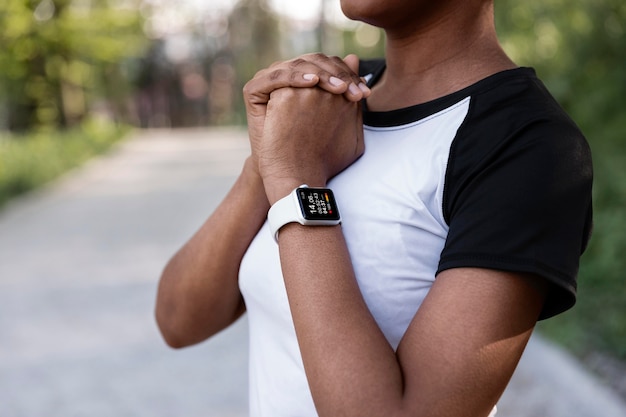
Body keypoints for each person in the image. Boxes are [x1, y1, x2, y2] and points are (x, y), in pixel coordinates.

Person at [155, 0, 593, 416]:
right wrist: (265, 163)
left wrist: (298, 181)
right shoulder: (327, 101)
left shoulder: (527, 146)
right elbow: (179, 320)